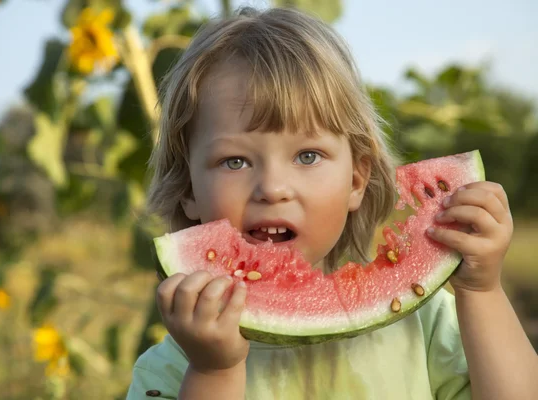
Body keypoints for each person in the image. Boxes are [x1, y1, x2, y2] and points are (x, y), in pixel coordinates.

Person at [126, 6, 537, 400]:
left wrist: (482, 294)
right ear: (187, 190)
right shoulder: (169, 368)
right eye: (235, 161)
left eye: (307, 156)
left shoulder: (427, 325)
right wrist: (213, 372)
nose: (272, 188)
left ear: (356, 180)